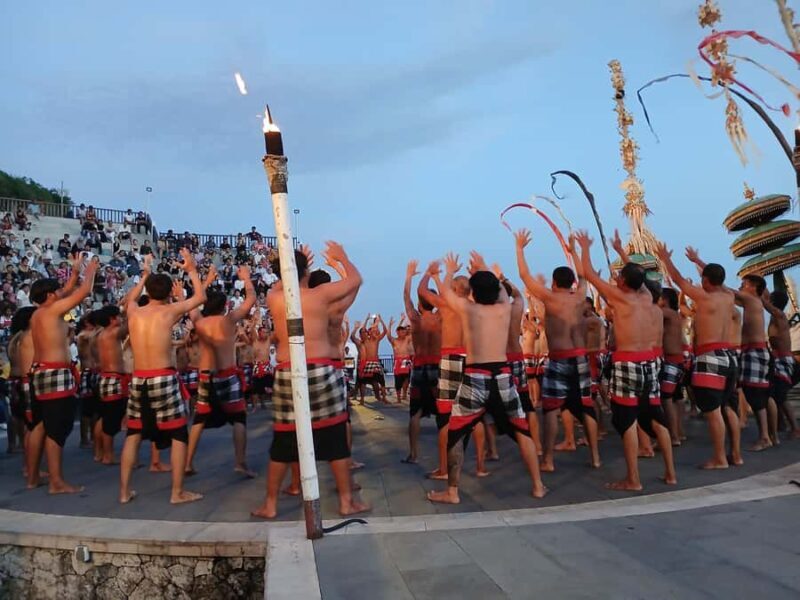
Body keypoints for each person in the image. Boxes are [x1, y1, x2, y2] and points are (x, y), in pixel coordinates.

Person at [251, 242, 369, 519]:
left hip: (287, 369)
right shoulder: (321, 295)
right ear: (306, 271)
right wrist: (342, 257)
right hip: (320, 368)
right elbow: (355, 280)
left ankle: (270, 504)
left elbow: (283, 282)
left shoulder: (274, 297)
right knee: (335, 437)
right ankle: (346, 501)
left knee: (283, 439)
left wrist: (292, 266)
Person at [427, 252, 546, 504]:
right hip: (502, 375)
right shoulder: (505, 308)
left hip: (475, 375)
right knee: (522, 432)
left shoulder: (468, 309)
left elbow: (447, 295)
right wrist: (495, 274)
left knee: (456, 433)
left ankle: (452, 492)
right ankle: (537, 485)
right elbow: (514, 294)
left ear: (473, 292)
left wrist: (448, 271)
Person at [578, 232, 676, 490]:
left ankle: (633, 479)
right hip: (651, 363)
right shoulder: (647, 297)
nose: (617, 278)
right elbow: (639, 275)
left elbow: (588, 273)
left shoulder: (620, 297)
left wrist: (584, 247)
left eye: (620, 276)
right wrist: (622, 252)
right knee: (656, 416)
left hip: (628, 362)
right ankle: (670, 473)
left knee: (628, 419)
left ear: (623, 281)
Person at [119, 248, 206, 504]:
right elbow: (200, 297)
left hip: (140, 378)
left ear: (147, 292)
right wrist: (191, 270)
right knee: (178, 433)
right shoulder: (169, 312)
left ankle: (124, 492)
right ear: (169, 293)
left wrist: (144, 274)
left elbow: (129, 298)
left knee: (133, 435)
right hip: (163, 377)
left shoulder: (134, 311)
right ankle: (177, 492)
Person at [515, 229, 600, 471]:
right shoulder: (580, 296)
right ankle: (595, 456)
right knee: (586, 407)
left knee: (551, 408)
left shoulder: (550, 298)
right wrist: (579, 250)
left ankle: (549, 459)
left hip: (559, 358)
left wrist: (520, 248)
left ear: (554, 282)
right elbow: (584, 276)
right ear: (570, 282)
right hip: (580, 357)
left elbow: (524, 275)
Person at [656, 243, 741, 469]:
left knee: (713, 412)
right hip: (729, 356)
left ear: (706, 281)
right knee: (729, 407)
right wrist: (698, 261)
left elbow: (678, 280)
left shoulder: (705, 298)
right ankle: (736, 454)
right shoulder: (727, 297)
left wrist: (665, 259)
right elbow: (716, 280)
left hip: (710, 356)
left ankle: (720, 458)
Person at [27, 255, 98, 493]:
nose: (61, 292)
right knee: (56, 429)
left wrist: (75, 272)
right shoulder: (52, 311)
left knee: (39, 426)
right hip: (55, 375)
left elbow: (67, 291)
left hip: (40, 372)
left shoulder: (38, 313)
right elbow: (84, 291)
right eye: (56, 291)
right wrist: (90, 270)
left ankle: (33, 476)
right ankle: (56, 482)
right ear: (49, 296)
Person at [418, 261, 488, 479]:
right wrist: (478, 272)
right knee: (474, 416)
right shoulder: (475, 306)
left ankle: (443, 468)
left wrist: (430, 274)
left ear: (455, 290)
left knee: (446, 417)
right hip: (472, 359)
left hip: (450, 359)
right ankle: (480, 466)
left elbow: (421, 292)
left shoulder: (447, 305)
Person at [185, 265, 256, 478]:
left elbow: (194, 304)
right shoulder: (228, 320)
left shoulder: (199, 322)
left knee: (200, 419)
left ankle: (188, 463)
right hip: (227, 374)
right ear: (225, 305)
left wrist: (205, 282)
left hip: (206, 374)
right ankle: (240, 463)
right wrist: (247, 279)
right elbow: (250, 299)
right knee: (239, 418)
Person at [402, 260, 441, 464]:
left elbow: (406, 297)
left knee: (415, 413)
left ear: (420, 304)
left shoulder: (415, 320)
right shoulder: (440, 318)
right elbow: (445, 300)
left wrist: (409, 275)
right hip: (436, 366)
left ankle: (413, 453)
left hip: (419, 367)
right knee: (443, 412)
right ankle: (445, 453)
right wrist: (436, 276)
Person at [763, 289, 800, 440]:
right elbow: (765, 299)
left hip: (784, 360)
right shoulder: (775, 316)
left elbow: (764, 302)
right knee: (774, 393)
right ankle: (781, 424)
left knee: (780, 395)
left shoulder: (779, 315)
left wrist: (756, 294)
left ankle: (795, 428)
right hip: (778, 359)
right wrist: (761, 286)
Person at [8, 306, 36, 477]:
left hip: (13, 380)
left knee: (19, 418)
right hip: (24, 380)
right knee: (30, 426)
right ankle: (29, 465)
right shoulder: (26, 338)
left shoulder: (13, 338)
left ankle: (15, 446)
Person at [387, 317, 413, 402]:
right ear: (397, 332)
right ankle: (398, 397)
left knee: (407, 379)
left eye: (404, 331)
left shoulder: (407, 338)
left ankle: (404, 393)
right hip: (397, 361)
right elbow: (388, 335)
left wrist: (408, 321)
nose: (403, 333)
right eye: (401, 331)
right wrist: (390, 325)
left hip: (406, 360)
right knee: (398, 379)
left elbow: (413, 332)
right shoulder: (394, 340)